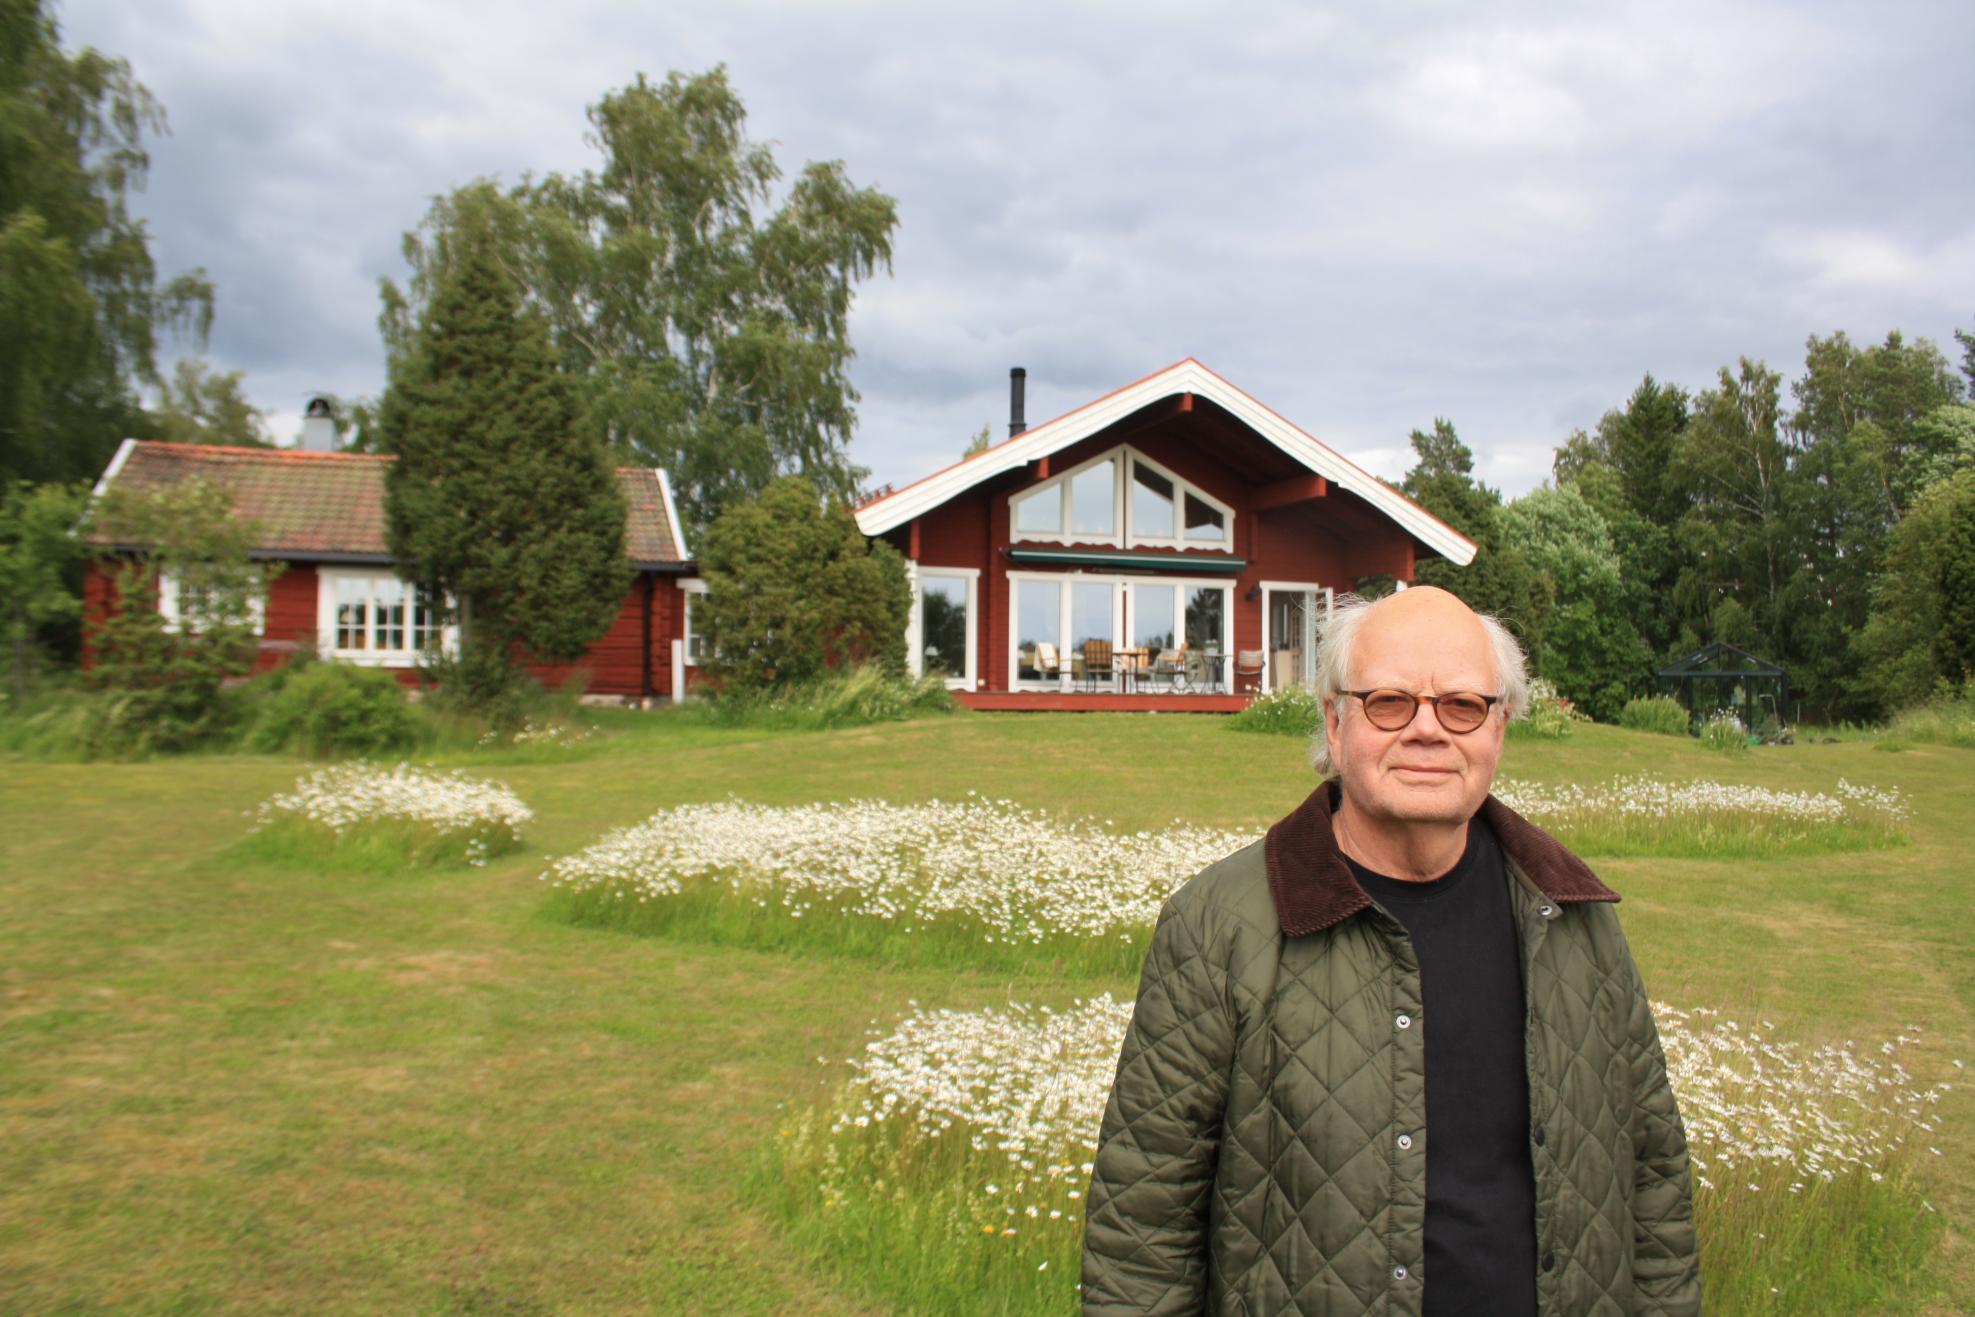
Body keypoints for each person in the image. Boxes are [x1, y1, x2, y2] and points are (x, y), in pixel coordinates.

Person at [1082, 586, 1699, 1315]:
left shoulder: (1573, 917)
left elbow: (1653, 1180)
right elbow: (1142, 1223)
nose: (1427, 730)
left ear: (1498, 728)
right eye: (1389, 702)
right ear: (1335, 721)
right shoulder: (1219, 926)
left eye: (1461, 706)